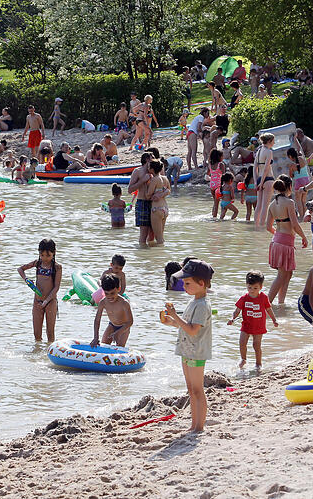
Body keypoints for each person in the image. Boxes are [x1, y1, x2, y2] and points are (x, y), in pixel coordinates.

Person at [162, 259, 214, 432]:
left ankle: (199, 426)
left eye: (187, 283)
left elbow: (192, 330)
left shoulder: (202, 305)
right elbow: (185, 325)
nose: (184, 286)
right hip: (187, 350)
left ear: (201, 283)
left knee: (198, 390)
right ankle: (194, 424)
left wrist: (175, 315)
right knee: (191, 390)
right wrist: (170, 321)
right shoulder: (193, 302)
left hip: (196, 352)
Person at [266, 179, 308, 306]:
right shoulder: (289, 202)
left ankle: (281, 303)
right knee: (282, 275)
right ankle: (266, 304)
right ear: (289, 187)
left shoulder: (272, 204)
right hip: (285, 242)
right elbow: (295, 224)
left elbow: (268, 227)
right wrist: (304, 237)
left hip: (277, 240)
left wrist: (278, 236)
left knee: (287, 274)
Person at [227, 271, 277, 370]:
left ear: (261, 287)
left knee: (256, 345)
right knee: (242, 342)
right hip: (246, 325)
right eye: (249, 288)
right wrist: (232, 319)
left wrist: (274, 320)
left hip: (259, 326)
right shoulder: (244, 298)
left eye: (255, 288)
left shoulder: (263, 298)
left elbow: (268, 309)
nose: (252, 290)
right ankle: (243, 359)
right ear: (246, 286)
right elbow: (237, 310)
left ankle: (258, 363)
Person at [18, 238, 64, 343]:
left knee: (50, 333)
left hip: (50, 302)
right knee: (37, 334)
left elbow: (56, 287)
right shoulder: (37, 264)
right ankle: (37, 354)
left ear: (54, 253)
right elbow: (20, 269)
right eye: (42, 255)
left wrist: (46, 301)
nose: (45, 258)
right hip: (37, 302)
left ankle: (48, 354)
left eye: (48, 255)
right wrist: (26, 279)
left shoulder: (57, 267)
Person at [90, 273, 133, 347]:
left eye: (112, 293)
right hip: (112, 325)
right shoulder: (103, 302)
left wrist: (119, 332)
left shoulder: (124, 303)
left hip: (124, 327)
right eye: (107, 294)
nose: (110, 297)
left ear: (118, 289)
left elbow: (130, 322)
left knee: (119, 347)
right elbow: (97, 320)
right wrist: (95, 337)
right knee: (104, 344)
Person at [128, 152, 155, 246]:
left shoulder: (154, 170)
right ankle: (143, 253)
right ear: (147, 159)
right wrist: (142, 181)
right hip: (142, 202)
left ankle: (151, 255)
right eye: (152, 158)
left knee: (153, 233)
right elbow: (130, 189)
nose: (154, 160)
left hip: (154, 203)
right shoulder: (137, 171)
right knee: (143, 233)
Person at [253, 133, 276, 226]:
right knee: (265, 206)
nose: (274, 143)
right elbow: (267, 168)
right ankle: (262, 227)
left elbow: (255, 168)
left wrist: (256, 182)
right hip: (268, 179)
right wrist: (262, 183)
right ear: (269, 141)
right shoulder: (269, 152)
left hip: (259, 178)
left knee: (258, 205)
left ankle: (256, 226)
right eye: (273, 141)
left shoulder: (258, 151)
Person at [147, 159, 170, 245]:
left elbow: (148, 195)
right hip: (165, 208)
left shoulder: (154, 180)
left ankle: (160, 256)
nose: (148, 168)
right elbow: (169, 190)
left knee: (159, 238)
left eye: (149, 167)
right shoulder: (165, 178)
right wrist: (161, 194)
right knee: (161, 236)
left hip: (156, 209)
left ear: (152, 169)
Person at [206, 149, 227, 219]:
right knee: (218, 203)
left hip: (212, 185)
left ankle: (213, 214)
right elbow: (224, 176)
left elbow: (207, 175)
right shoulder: (221, 164)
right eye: (222, 156)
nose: (223, 157)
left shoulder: (210, 164)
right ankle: (215, 217)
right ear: (219, 157)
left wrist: (212, 178)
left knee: (215, 202)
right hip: (219, 185)